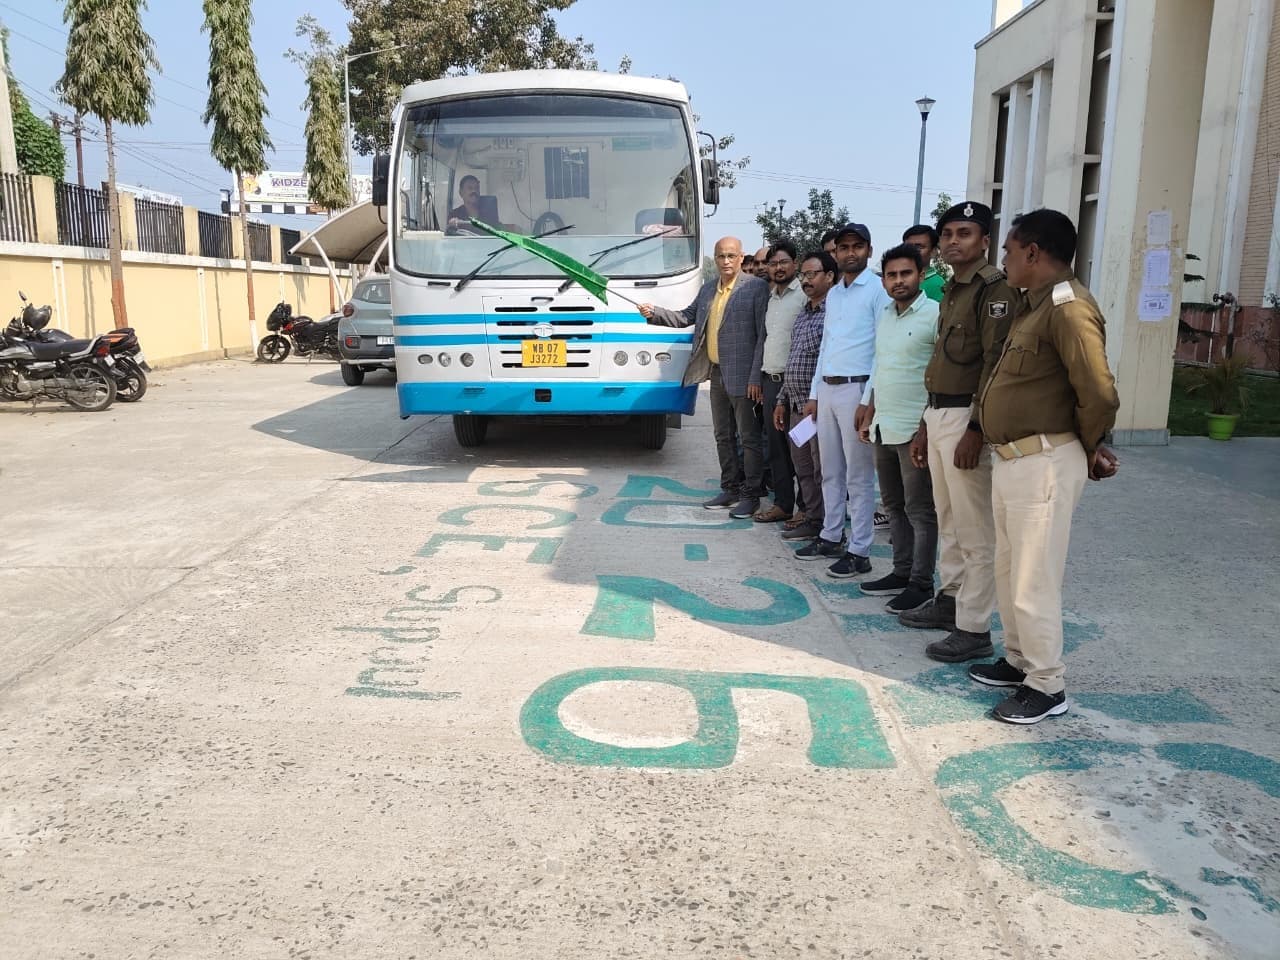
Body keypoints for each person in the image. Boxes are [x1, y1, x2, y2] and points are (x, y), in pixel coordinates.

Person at [969, 208, 1120, 724]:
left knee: (1034, 577)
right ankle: (1018, 660)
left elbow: (1098, 391)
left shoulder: (1068, 309)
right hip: (1013, 459)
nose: (1004, 260)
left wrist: (1091, 445)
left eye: (1009, 251)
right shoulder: (1031, 306)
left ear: (1033, 252)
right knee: (1010, 570)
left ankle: (1047, 684)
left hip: (1044, 461)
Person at [899, 202, 1013, 662]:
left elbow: (994, 365)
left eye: (964, 233)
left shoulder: (994, 289)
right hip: (939, 413)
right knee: (948, 521)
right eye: (947, 234)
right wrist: (925, 426)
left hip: (966, 417)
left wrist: (977, 429)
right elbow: (942, 363)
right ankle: (950, 601)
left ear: (985, 240)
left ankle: (974, 627)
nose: (952, 242)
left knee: (975, 531)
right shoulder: (952, 290)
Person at [640, 237, 769, 519]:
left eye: (731, 256)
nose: (725, 261)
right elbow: (686, 317)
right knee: (723, 436)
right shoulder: (709, 288)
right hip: (716, 373)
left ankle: (752, 494)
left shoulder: (756, 288)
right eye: (721, 256)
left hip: (744, 377)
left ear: (741, 257)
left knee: (748, 438)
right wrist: (655, 313)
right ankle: (730, 488)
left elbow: (762, 336)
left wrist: (755, 378)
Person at [794, 223, 891, 578]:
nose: (850, 253)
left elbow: (882, 349)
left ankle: (860, 549)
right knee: (830, 471)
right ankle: (831, 535)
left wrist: (868, 399)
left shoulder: (878, 291)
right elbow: (827, 347)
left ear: (868, 250)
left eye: (857, 247)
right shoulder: (834, 294)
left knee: (859, 477)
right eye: (844, 248)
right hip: (828, 389)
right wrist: (814, 394)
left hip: (857, 389)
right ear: (836, 253)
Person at [854, 244, 939, 614]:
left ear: (920, 274)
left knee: (921, 510)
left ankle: (921, 583)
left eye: (906, 273)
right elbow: (882, 368)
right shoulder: (886, 315)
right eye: (891, 275)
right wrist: (869, 413)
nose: (898, 281)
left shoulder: (935, 315)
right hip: (883, 425)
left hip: (915, 429)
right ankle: (901, 572)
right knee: (893, 506)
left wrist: (926, 427)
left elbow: (941, 376)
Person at [775, 251, 835, 542]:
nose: (806, 280)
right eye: (804, 275)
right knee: (804, 468)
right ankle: (812, 519)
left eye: (813, 274)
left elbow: (829, 362)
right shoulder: (803, 315)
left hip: (820, 408)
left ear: (830, 276)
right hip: (797, 408)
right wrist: (781, 400)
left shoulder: (833, 315)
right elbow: (794, 360)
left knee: (824, 470)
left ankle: (829, 526)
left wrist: (818, 399)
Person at [755, 240, 805, 523]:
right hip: (771, 381)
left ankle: (806, 508)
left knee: (801, 447)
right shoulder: (771, 298)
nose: (778, 268)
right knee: (776, 448)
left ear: (794, 264)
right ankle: (783, 505)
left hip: (797, 383)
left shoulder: (804, 295)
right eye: (773, 264)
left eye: (783, 262)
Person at [903, 225, 946, 302]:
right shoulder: (898, 281)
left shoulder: (937, 285)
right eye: (908, 247)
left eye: (919, 247)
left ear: (933, 252)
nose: (912, 251)